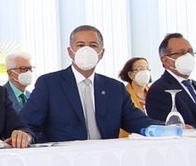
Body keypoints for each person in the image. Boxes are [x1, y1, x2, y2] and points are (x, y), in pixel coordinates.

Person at [18, 25, 151, 143]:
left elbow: (135, 120)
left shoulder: (115, 88)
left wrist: (159, 128)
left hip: (105, 157)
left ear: (101, 53)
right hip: (64, 158)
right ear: (70, 52)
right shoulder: (49, 84)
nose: (86, 51)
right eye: (80, 45)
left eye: (93, 46)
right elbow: (27, 124)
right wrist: (36, 141)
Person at [143, 32, 196, 133]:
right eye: (181, 53)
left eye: (190, 52)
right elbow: (171, 128)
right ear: (165, 60)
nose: (188, 56)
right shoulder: (159, 90)